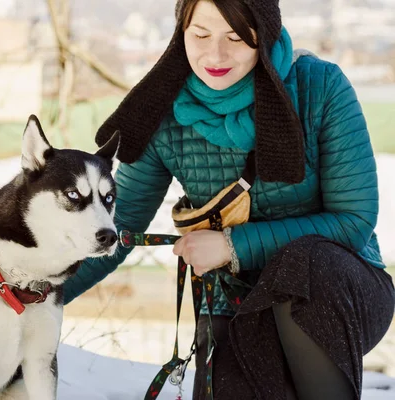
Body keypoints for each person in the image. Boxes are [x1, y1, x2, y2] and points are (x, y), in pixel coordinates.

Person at [62, 0, 395, 399]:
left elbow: (354, 220)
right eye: (200, 35)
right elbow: (118, 226)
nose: (215, 54)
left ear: (264, 35)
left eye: (236, 37)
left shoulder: (319, 88)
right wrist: (32, 293)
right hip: (234, 304)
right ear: (180, 32)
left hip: (336, 290)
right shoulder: (162, 110)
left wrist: (231, 245)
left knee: (300, 268)